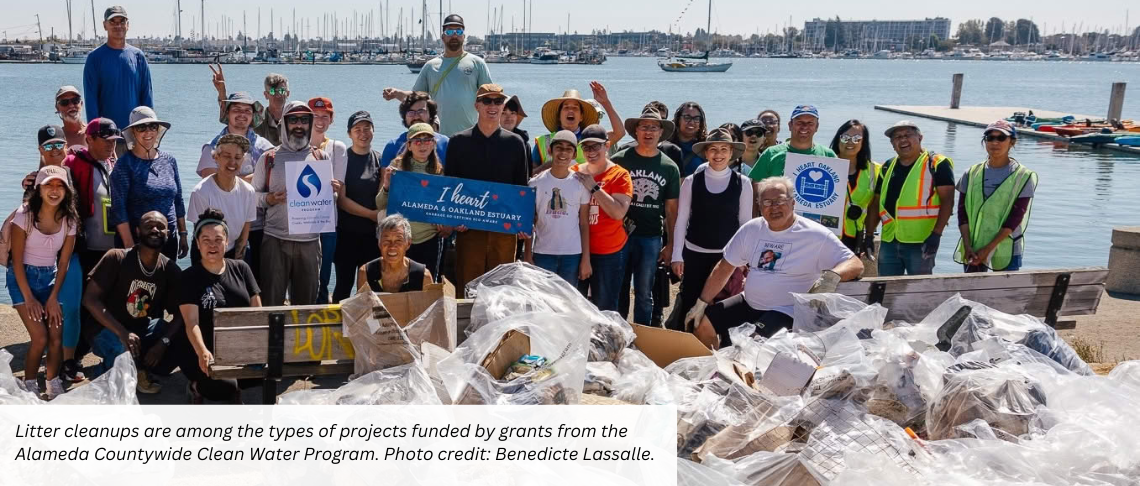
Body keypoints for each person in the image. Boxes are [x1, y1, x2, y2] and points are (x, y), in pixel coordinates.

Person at [684, 177, 864, 348]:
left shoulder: (815, 235)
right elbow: (724, 267)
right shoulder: (752, 229)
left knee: (751, 345)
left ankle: (744, 377)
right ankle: (714, 371)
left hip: (787, 310)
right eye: (767, 202)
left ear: (793, 203)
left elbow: (855, 264)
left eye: (779, 201)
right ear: (760, 206)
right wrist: (702, 303)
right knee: (702, 325)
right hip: (749, 303)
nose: (774, 207)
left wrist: (831, 277)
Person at [84, 210, 189, 394]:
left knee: (180, 338)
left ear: (168, 233)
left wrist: (163, 342)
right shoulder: (116, 257)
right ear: (138, 231)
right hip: (105, 328)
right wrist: (122, 332)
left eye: (160, 227)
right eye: (148, 226)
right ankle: (109, 371)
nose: (155, 229)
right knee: (122, 354)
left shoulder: (169, 269)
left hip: (141, 327)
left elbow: (183, 312)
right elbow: (90, 300)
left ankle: (140, 368)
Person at [443, 84, 529, 290]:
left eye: (498, 101)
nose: (493, 106)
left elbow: (521, 188)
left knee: (503, 290)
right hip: (469, 230)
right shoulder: (457, 142)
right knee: (468, 287)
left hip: (504, 232)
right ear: (477, 106)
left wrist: (523, 222)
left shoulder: (517, 143)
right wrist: (456, 220)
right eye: (487, 101)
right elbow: (451, 187)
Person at [667, 128, 753, 332]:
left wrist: (743, 260)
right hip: (694, 254)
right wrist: (677, 255)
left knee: (723, 309)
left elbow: (745, 225)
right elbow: (681, 220)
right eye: (713, 149)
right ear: (706, 153)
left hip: (727, 259)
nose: (718, 154)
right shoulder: (691, 181)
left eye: (724, 149)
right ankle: (686, 348)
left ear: (731, 153)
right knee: (690, 303)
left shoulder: (743, 183)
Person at [6, 166, 80, 399]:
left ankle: (52, 382)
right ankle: (29, 384)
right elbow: (16, 262)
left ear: (67, 191)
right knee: (40, 337)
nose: (54, 190)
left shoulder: (70, 220)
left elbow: (65, 262)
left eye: (60, 185)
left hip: (50, 278)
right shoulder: (24, 216)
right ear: (38, 188)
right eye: (49, 184)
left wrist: (52, 299)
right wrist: (28, 299)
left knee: (57, 335)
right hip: (22, 278)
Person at [252, 101, 334, 306]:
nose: (299, 125)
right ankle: (273, 339)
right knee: (271, 304)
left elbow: (327, 202)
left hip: (310, 243)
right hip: (275, 241)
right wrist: (269, 199)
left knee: (305, 305)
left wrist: (333, 194)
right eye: (293, 120)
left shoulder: (320, 156)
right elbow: (252, 196)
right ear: (284, 124)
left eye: (304, 120)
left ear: (310, 123)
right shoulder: (268, 158)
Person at [180, 208, 262, 403]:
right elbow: (191, 323)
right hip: (201, 349)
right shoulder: (189, 277)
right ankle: (195, 386)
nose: (212, 245)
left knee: (260, 377)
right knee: (225, 388)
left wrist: (255, 349)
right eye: (206, 240)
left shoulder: (242, 268)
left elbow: (257, 313)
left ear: (227, 242)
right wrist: (202, 352)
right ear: (197, 244)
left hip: (237, 346)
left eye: (218, 239)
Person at [27, 127, 85, 383]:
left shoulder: (76, 174)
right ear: (40, 150)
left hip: (71, 255)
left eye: (59, 144)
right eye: (48, 146)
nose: (55, 151)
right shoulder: (33, 180)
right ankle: (48, 367)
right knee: (46, 314)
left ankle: (68, 363)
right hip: (41, 261)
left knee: (70, 309)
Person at [612, 110, 681, 325]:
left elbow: (671, 211)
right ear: (635, 131)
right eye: (644, 127)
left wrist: (670, 245)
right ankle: (619, 332)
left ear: (661, 132)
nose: (648, 132)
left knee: (644, 291)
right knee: (619, 288)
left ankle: (641, 335)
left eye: (654, 127)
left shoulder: (669, 167)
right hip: (619, 235)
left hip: (651, 237)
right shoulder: (619, 160)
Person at [863, 121, 955, 276]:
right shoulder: (887, 166)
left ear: (920, 137)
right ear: (892, 144)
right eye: (897, 137)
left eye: (907, 135)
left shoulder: (937, 164)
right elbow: (876, 203)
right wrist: (870, 234)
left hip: (922, 241)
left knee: (918, 289)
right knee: (885, 288)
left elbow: (948, 201)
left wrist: (936, 235)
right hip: (890, 240)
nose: (902, 140)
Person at [382, 14, 493, 136]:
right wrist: (396, 93)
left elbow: (491, 98)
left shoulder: (478, 64)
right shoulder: (430, 66)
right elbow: (416, 97)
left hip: (470, 138)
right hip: (437, 138)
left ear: (464, 36)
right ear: (443, 37)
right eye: (449, 31)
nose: (454, 34)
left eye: (458, 30)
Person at [955, 120, 1037, 272]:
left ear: (1012, 142)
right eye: (990, 138)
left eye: (1001, 138)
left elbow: (1015, 218)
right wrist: (967, 245)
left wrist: (988, 249)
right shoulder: (971, 173)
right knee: (971, 294)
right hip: (973, 247)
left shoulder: (1023, 176)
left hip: (1006, 248)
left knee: (1005, 294)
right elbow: (962, 213)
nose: (995, 142)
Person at [109, 106, 188, 261]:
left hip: (168, 239)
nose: (148, 132)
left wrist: (183, 234)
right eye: (141, 127)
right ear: (133, 132)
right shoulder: (124, 165)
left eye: (153, 126)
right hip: (139, 242)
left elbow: (178, 200)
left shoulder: (169, 161)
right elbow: (118, 209)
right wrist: (129, 247)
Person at [376, 123, 449, 281]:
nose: (422, 145)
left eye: (427, 140)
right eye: (417, 141)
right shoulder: (396, 168)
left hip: (429, 239)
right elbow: (380, 204)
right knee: (397, 285)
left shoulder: (440, 172)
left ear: (434, 144)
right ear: (408, 145)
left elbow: (445, 208)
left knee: (426, 286)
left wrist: (444, 219)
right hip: (400, 241)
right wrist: (387, 186)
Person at [571, 124, 633, 312]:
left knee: (605, 306)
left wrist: (594, 188)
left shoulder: (619, 175)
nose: (590, 152)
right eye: (586, 147)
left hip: (609, 251)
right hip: (577, 248)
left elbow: (618, 213)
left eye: (595, 146)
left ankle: (607, 341)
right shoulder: (574, 172)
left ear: (607, 146)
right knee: (576, 304)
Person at [524, 130, 592, 285]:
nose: (563, 153)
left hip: (572, 254)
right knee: (544, 301)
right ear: (550, 151)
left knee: (567, 302)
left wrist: (585, 259)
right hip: (543, 252)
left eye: (568, 149)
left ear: (575, 155)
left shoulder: (581, 184)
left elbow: (584, 223)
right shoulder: (535, 183)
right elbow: (529, 221)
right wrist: (528, 255)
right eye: (559, 148)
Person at [332, 111, 383, 301]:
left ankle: (368, 330)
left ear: (373, 130)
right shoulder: (343, 159)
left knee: (369, 288)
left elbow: (381, 196)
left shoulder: (379, 158)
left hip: (371, 237)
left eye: (367, 128)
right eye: (357, 129)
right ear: (349, 134)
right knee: (343, 286)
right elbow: (342, 200)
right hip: (346, 234)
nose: (363, 133)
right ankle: (337, 329)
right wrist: (370, 215)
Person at [186, 134, 256, 265]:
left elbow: (244, 234)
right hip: (206, 251)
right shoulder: (200, 192)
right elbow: (201, 235)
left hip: (235, 250)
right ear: (216, 158)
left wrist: (237, 265)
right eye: (227, 156)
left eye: (237, 158)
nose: (232, 162)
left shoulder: (248, 192)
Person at [83, 6, 152, 132]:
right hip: (107, 135)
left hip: (136, 134)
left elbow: (146, 96)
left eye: (122, 21)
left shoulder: (138, 57)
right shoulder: (94, 58)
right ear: (105, 25)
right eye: (113, 22)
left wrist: (148, 128)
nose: (118, 26)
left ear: (128, 25)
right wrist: (95, 134)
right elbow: (91, 100)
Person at [307, 97, 349, 304]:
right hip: (300, 222)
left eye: (325, 116)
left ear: (331, 120)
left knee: (323, 277)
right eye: (315, 116)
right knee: (301, 277)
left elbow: (338, 189)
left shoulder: (337, 148)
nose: (320, 120)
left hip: (327, 223)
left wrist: (335, 187)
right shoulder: (295, 146)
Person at [65, 119, 120, 277]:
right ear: (89, 139)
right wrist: (32, 181)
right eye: (106, 141)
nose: (111, 145)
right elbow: (51, 180)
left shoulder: (115, 164)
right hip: (88, 249)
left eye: (114, 141)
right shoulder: (74, 162)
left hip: (115, 249)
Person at [532, 84, 625, 171]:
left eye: (575, 108)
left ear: (581, 117)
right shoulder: (542, 142)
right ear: (558, 116)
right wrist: (549, 165)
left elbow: (619, 132)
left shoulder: (594, 140)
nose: (571, 110)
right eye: (566, 107)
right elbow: (529, 176)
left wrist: (605, 103)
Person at [749, 105, 838, 187]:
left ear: (817, 127)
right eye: (799, 122)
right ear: (790, 125)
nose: (804, 127)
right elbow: (755, 190)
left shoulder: (828, 155)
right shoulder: (771, 153)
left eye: (810, 123)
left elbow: (837, 190)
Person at [829, 119, 880, 254]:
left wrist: (869, 236)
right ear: (838, 139)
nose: (850, 142)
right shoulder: (823, 165)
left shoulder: (875, 170)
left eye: (857, 138)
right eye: (845, 137)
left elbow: (875, 206)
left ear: (863, 142)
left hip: (854, 238)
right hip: (825, 235)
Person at [196, 90, 272, 180]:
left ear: (253, 116)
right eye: (236, 110)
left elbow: (273, 178)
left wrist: (227, 178)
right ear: (227, 113)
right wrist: (254, 178)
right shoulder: (211, 148)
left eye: (247, 111)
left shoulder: (266, 148)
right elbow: (210, 182)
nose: (242, 114)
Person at [211, 67, 289, 146]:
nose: (278, 95)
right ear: (266, 95)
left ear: (288, 94)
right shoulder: (258, 118)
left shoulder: (295, 118)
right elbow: (230, 119)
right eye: (272, 91)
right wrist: (222, 91)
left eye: (282, 91)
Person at [358, 214, 434, 293]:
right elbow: (361, 304)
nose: (392, 246)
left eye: (398, 240)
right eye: (386, 240)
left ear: (408, 243)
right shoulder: (366, 273)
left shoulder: (424, 276)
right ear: (379, 243)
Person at [379, 91, 450, 169]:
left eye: (421, 111)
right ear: (404, 117)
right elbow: (384, 179)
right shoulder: (393, 146)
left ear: (430, 115)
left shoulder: (446, 144)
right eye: (411, 112)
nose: (416, 117)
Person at [614, 101, 684, 165]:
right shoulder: (624, 150)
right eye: (645, 125)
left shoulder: (673, 150)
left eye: (661, 119)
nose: (649, 131)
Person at [668, 102, 710, 177]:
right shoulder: (666, 146)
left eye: (696, 118)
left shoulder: (705, 147)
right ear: (678, 120)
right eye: (687, 117)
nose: (691, 122)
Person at [501, 95, 533, 169]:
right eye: (504, 113)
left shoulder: (525, 144)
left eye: (512, 113)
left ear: (517, 116)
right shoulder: (489, 140)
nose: (508, 117)